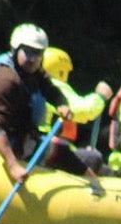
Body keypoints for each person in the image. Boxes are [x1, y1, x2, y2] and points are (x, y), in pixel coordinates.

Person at [0, 23, 73, 184]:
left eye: (38, 53)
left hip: (18, 137)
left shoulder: (32, 70)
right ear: (15, 49)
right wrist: (13, 166)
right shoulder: (6, 80)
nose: (33, 59)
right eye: (29, 52)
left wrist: (62, 104)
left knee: (64, 151)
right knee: (64, 153)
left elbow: (50, 90)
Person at [40, 46, 112, 178]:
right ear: (61, 71)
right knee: (95, 158)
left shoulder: (37, 83)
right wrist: (100, 97)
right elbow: (83, 111)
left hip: (47, 145)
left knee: (92, 158)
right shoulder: (56, 85)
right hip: (49, 148)